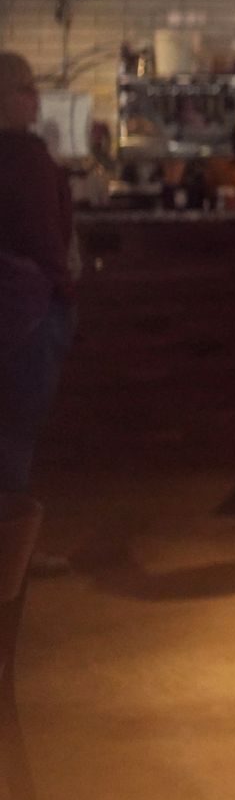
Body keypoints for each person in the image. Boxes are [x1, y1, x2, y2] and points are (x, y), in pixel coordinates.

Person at [0, 52, 76, 500]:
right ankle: (14, 555)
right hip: (28, 310)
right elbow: (45, 239)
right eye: (25, 89)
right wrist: (66, 297)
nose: (35, 98)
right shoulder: (24, 157)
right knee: (15, 433)